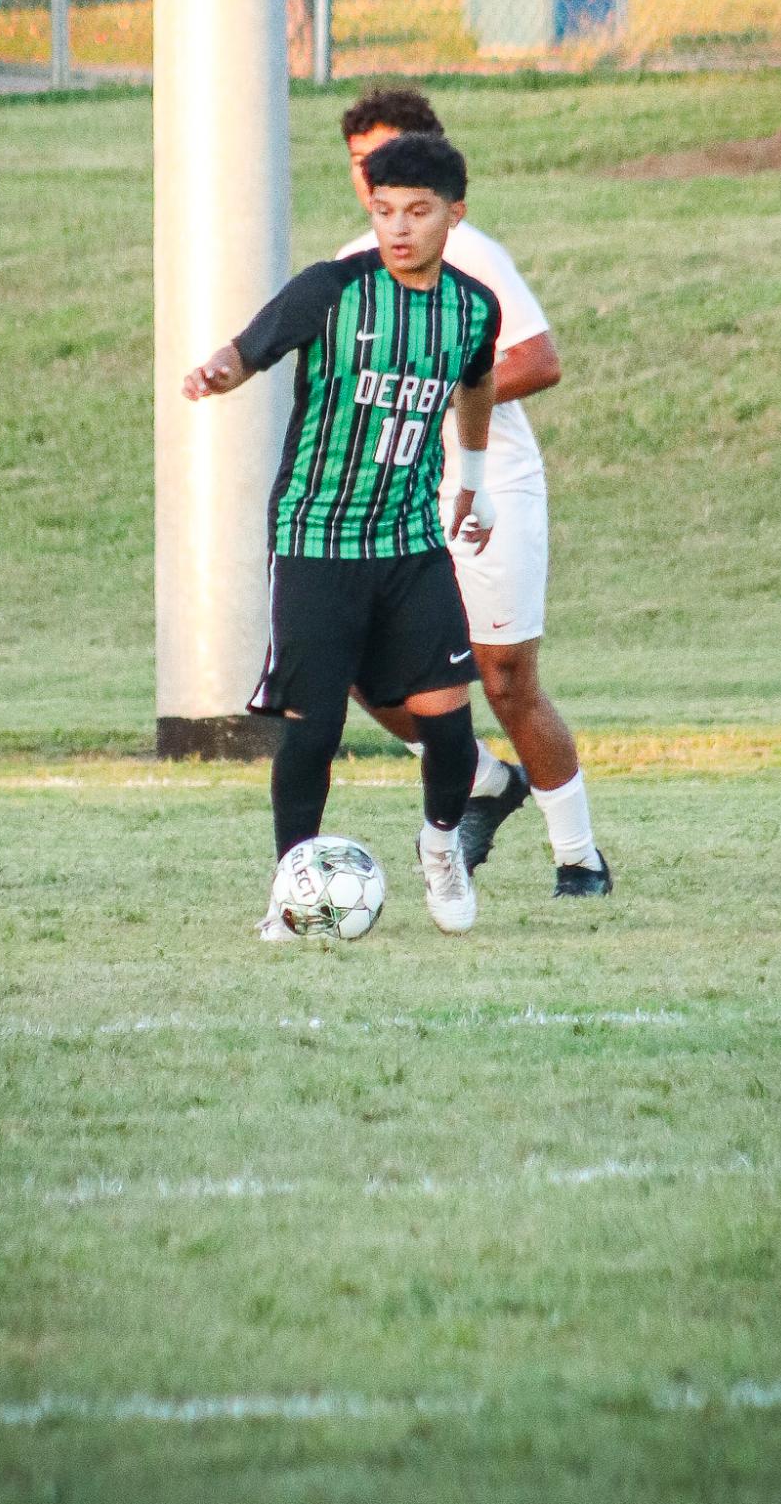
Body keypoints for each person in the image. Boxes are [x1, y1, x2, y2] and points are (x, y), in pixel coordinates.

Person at [182, 132, 502, 941]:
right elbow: (249, 348)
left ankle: (440, 846)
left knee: (450, 725)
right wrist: (217, 371)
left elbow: (477, 378)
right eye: (384, 210)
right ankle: (293, 890)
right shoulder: (332, 290)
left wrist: (475, 475)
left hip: (407, 541)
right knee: (313, 729)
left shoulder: (472, 307)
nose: (398, 228)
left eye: (418, 213)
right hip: (316, 539)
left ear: (453, 215)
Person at [337, 88, 611, 898]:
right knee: (359, 661)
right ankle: (485, 779)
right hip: (402, 496)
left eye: (389, 157)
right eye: (360, 164)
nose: (374, 177)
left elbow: (539, 358)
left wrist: (447, 390)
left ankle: (579, 857)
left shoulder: (470, 252)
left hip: (492, 495)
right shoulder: (356, 264)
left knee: (504, 680)